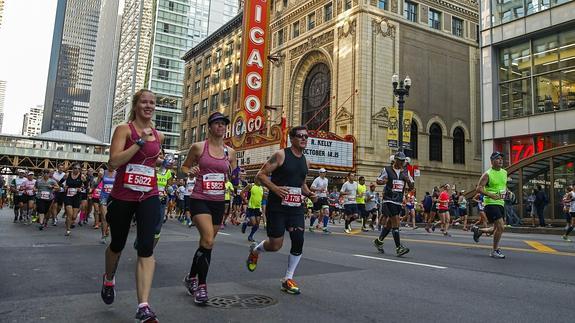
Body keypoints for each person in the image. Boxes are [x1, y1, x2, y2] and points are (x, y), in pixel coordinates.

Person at [100, 89, 164, 322]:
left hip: (149, 194)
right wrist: (139, 141)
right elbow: (113, 162)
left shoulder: (159, 135)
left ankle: (143, 305)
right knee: (117, 243)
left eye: (152, 102)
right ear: (136, 105)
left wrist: (159, 162)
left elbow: (152, 161)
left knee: (146, 246)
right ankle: (109, 277)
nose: (148, 106)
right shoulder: (124, 130)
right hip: (123, 195)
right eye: (144, 102)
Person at [246, 126, 316, 295]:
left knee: (298, 239)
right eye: (300, 136)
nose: (304, 139)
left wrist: (309, 194)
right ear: (291, 138)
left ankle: (288, 278)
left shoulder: (306, 161)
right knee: (275, 245)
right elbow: (260, 175)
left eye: (306, 136)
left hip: (296, 207)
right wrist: (275, 188)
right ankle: (256, 250)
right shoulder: (281, 155)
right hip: (277, 207)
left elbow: (300, 183)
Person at [182, 112, 236, 305]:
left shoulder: (230, 152)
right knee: (207, 239)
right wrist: (192, 171)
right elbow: (185, 167)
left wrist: (233, 177)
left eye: (224, 124)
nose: (221, 127)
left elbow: (232, 174)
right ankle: (202, 286)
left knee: (207, 243)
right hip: (199, 198)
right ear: (210, 127)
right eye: (218, 123)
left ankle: (191, 277)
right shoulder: (198, 147)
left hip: (218, 201)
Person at [373, 152, 414, 256]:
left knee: (390, 224)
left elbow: (412, 187)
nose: (402, 162)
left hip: (398, 200)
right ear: (395, 160)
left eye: (403, 160)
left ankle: (379, 241)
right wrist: (384, 181)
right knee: (396, 221)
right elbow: (378, 181)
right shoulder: (387, 170)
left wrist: (408, 180)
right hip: (388, 199)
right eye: (400, 160)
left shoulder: (405, 171)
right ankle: (399, 247)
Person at [472, 151, 508, 259]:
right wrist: (491, 195)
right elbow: (478, 188)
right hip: (490, 203)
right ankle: (495, 250)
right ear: (492, 161)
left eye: (501, 158)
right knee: (501, 226)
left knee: (496, 229)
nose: (500, 160)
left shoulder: (504, 172)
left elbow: (503, 186)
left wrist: (508, 192)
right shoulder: (487, 174)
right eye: (498, 158)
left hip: (501, 203)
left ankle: (479, 231)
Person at [63, 163, 86, 236]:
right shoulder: (67, 175)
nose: (77, 170)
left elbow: (86, 186)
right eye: (75, 168)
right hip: (68, 196)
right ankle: (68, 230)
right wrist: (64, 187)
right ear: (73, 168)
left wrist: (81, 188)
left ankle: (68, 221)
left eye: (79, 169)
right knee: (70, 214)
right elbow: (59, 183)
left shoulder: (82, 176)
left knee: (74, 216)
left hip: (77, 197)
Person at [241, 177, 264, 242]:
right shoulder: (251, 186)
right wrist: (245, 200)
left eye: (261, 180)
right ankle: (245, 223)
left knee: (257, 224)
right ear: (255, 180)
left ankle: (250, 236)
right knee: (253, 223)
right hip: (251, 207)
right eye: (259, 180)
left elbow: (263, 197)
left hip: (258, 208)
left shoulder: (262, 188)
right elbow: (241, 193)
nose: (260, 181)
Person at [309, 168, 330, 233]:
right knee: (316, 214)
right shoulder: (317, 179)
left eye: (325, 172)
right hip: (318, 198)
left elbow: (325, 188)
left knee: (326, 212)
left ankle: (325, 228)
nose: (324, 173)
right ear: (320, 173)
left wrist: (327, 192)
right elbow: (311, 188)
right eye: (323, 172)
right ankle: (311, 226)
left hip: (324, 198)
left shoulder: (326, 179)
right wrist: (319, 189)